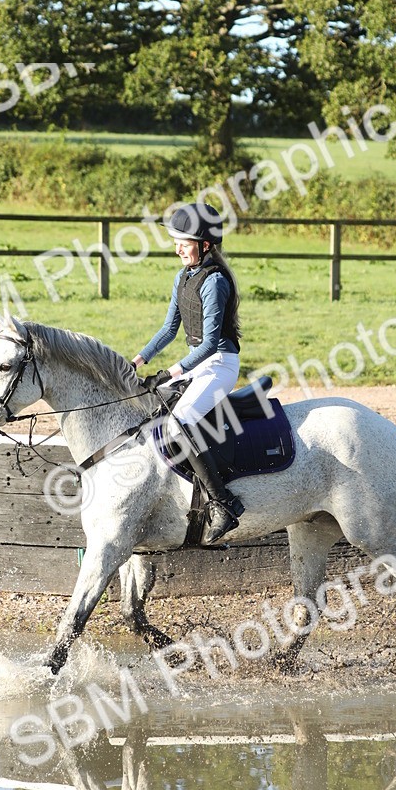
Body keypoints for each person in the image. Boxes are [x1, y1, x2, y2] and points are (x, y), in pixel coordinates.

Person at [132, 201, 245, 544]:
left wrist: (172, 371)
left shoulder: (214, 283)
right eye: (176, 240)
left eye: (185, 241)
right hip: (198, 363)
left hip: (220, 364)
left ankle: (224, 504)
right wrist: (138, 360)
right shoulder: (183, 277)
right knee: (154, 411)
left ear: (205, 245)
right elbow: (169, 329)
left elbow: (211, 343)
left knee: (179, 421)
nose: (177, 247)